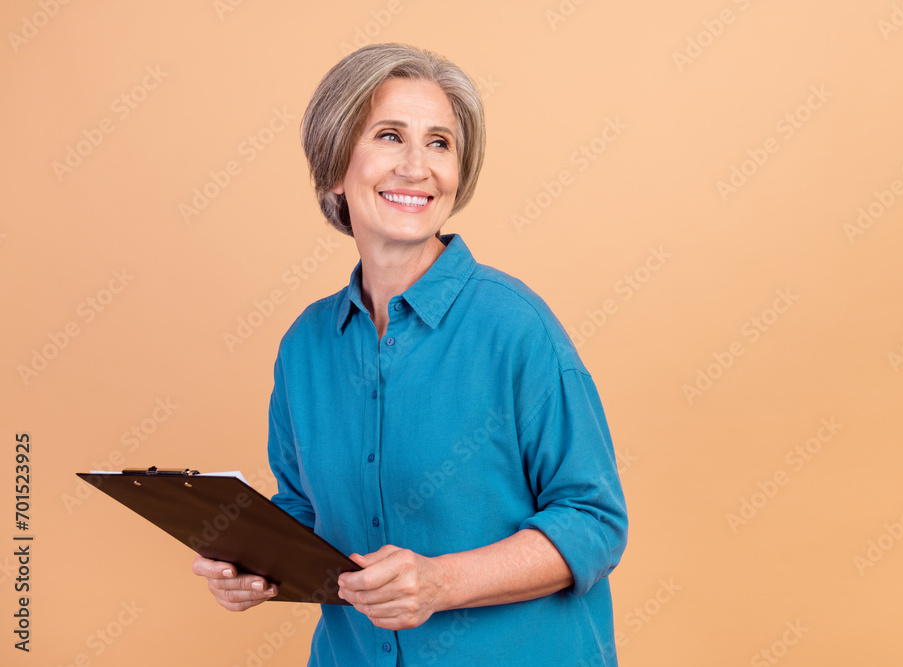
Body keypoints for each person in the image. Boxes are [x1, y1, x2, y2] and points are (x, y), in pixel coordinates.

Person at [192, 42, 627, 666]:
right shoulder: (307, 345)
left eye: (440, 143)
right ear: (336, 167)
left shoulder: (515, 325)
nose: (417, 167)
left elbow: (595, 521)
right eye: (390, 136)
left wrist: (443, 583)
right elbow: (305, 509)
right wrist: (256, 561)